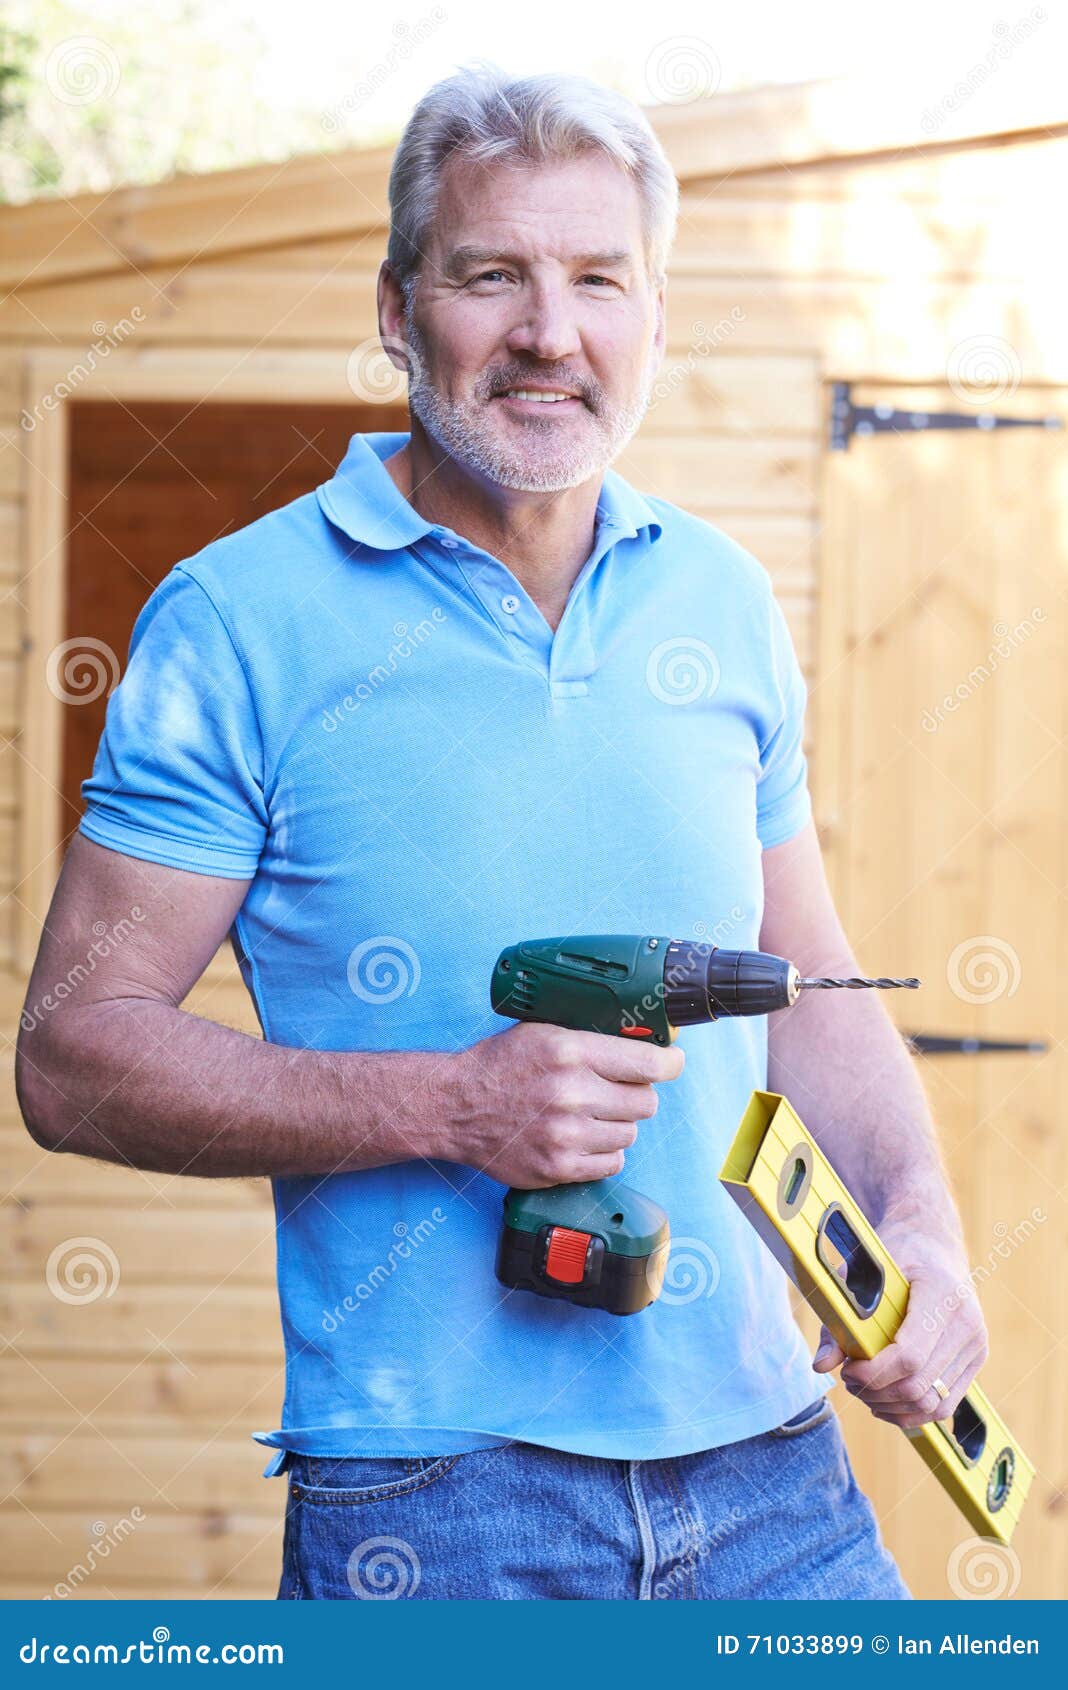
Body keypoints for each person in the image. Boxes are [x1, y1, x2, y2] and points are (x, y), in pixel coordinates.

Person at [16, 63, 986, 1601]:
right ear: (401, 310)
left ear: (655, 320)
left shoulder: (720, 602)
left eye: (601, 278)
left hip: (776, 1474)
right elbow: (73, 1057)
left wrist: (923, 1232)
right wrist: (454, 1107)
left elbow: (807, 983)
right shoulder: (238, 619)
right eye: (493, 274)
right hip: (436, 1495)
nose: (552, 330)